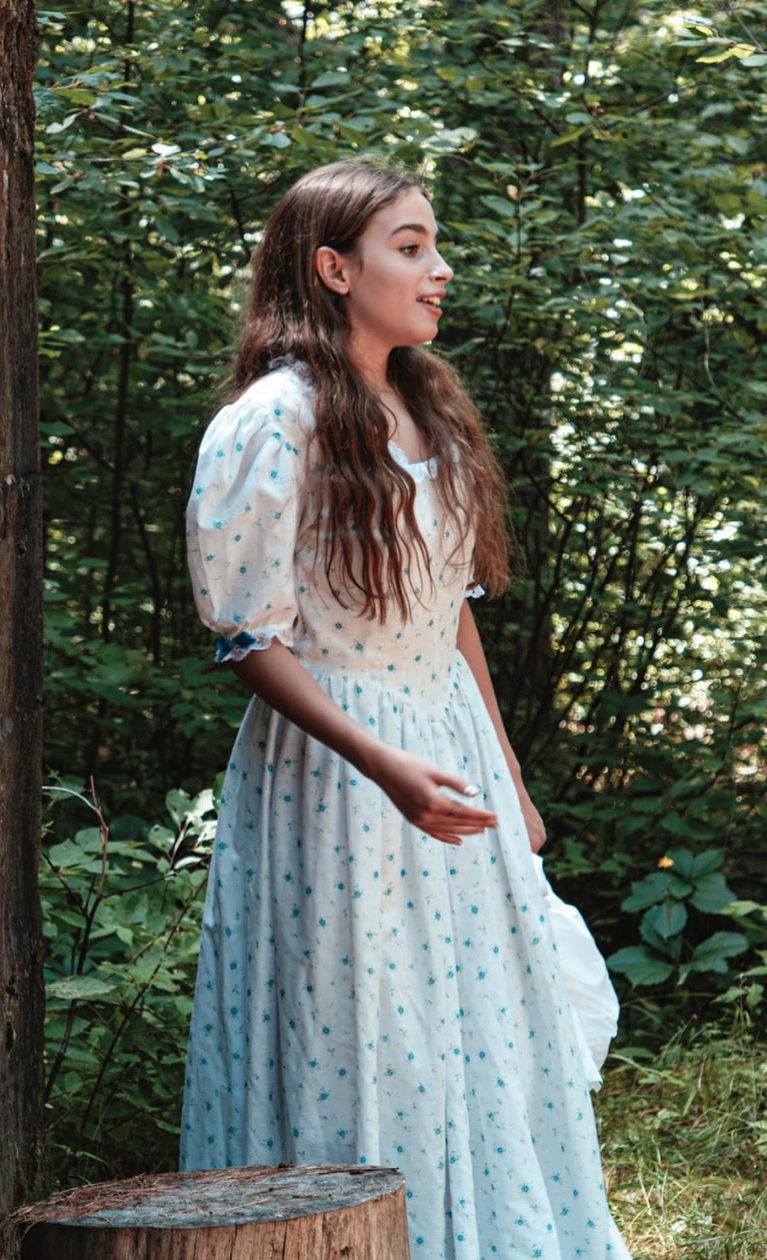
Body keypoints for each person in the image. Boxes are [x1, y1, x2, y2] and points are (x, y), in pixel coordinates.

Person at [179, 159, 629, 1258]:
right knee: (361, 1030)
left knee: (477, 1025)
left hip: (447, 741)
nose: (440, 270)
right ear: (334, 268)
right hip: (335, 769)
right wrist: (380, 765)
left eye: (435, 245)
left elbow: (452, 614)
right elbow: (246, 637)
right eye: (412, 245)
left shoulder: (425, 403)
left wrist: (510, 787)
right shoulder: (272, 421)